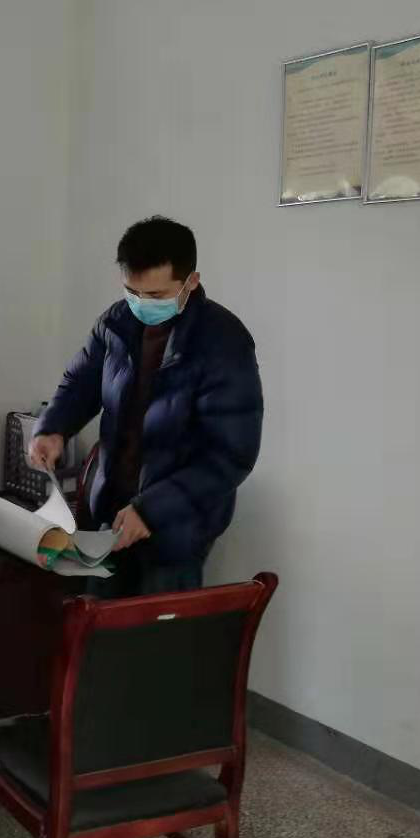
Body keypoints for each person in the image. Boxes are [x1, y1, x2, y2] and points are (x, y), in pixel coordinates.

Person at [28, 216, 263, 595]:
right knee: (97, 625)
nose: (141, 304)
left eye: (155, 295)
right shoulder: (116, 323)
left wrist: (151, 510)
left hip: (176, 529)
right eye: (131, 291)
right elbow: (79, 384)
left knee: (155, 631)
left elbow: (231, 456)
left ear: (191, 282)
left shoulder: (223, 343)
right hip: (111, 518)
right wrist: (52, 429)